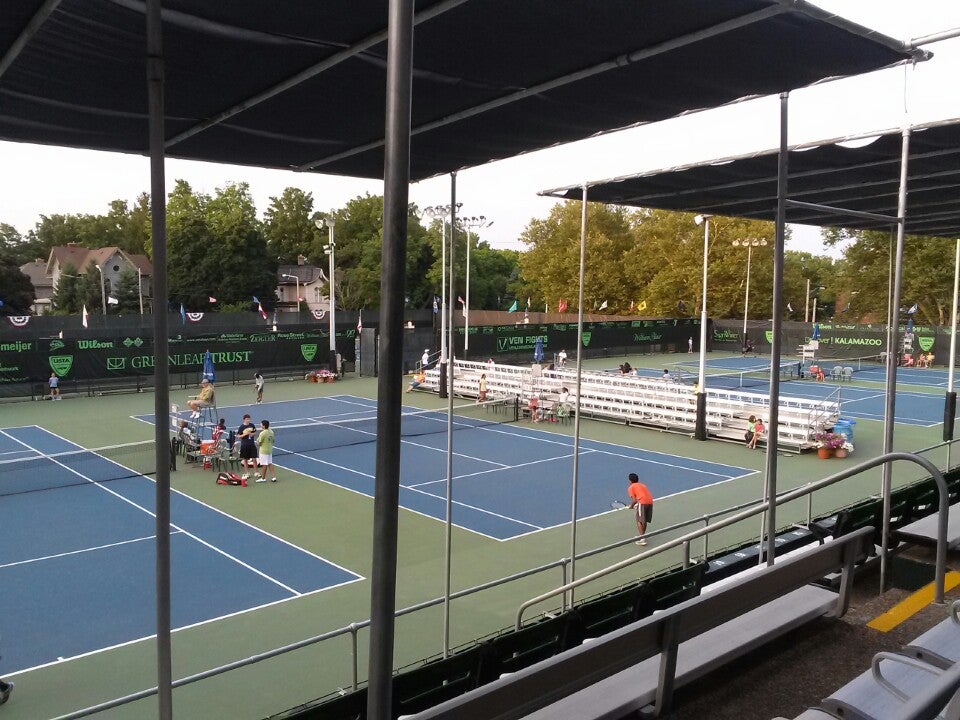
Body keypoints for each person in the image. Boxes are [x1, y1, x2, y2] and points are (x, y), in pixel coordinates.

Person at [626, 473, 654, 546]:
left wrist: (631, 506)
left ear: (630, 481)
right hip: (650, 502)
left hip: (642, 502)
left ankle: (642, 539)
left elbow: (634, 500)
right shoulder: (643, 485)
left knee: (639, 520)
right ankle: (642, 536)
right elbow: (643, 495)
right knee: (644, 520)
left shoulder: (631, 487)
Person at [237, 413, 258, 479]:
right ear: (244, 420)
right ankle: (247, 473)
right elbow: (238, 436)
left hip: (252, 445)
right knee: (245, 460)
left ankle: (256, 472)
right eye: (247, 419)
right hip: (244, 445)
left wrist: (252, 434)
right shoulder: (241, 427)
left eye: (249, 419)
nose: (248, 420)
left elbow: (255, 433)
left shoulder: (252, 425)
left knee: (254, 459)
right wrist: (244, 435)